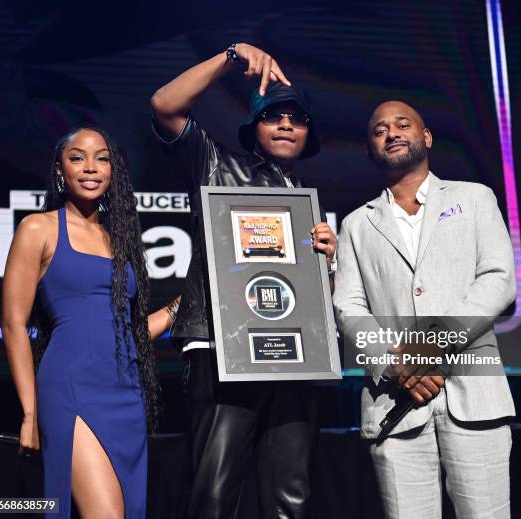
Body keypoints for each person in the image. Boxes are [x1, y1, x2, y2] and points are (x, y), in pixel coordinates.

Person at [150, 43, 337, 518]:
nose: (286, 124)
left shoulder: (307, 203)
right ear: (253, 128)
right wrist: (231, 56)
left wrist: (328, 263)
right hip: (221, 346)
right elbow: (165, 106)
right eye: (273, 116)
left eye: (296, 118)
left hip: (294, 352)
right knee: (215, 492)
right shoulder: (216, 164)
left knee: (290, 495)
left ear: (309, 132)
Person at [333, 101, 516, 518]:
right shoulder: (356, 224)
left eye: (403, 124)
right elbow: (348, 306)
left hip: (475, 398)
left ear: (427, 136)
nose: (392, 133)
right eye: (380, 130)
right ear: (369, 149)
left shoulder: (474, 198)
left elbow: (498, 280)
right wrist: (397, 365)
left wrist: (432, 345)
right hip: (395, 403)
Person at [1, 125, 178, 519]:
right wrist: (30, 413)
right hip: (72, 388)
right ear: (60, 170)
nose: (91, 167)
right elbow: (13, 325)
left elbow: (125, 335)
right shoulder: (38, 228)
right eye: (77, 157)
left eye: (102, 158)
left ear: (114, 171)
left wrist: (179, 308)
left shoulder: (119, 241)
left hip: (125, 393)